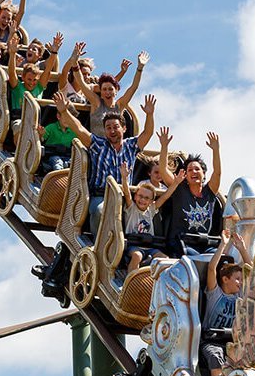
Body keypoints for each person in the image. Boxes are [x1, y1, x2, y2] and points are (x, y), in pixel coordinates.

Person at [54, 92, 156, 235]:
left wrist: (149, 115)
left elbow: (148, 133)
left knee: (141, 215)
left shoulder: (131, 146)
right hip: (101, 195)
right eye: (108, 128)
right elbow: (79, 129)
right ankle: (99, 246)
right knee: (99, 211)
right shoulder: (98, 145)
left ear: (124, 128)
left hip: (124, 196)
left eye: (115, 127)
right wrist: (64, 111)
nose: (112, 131)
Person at [157, 127, 224, 256]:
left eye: (197, 169)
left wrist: (216, 150)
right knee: (193, 257)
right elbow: (163, 169)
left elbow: (218, 172)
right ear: (186, 176)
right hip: (182, 244)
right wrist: (164, 146)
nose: (194, 172)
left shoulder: (209, 191)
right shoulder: (179, 189)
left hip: (204, 244)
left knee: (220, 258)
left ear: (203, 174)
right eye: (190, 170)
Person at [119, 161, 182, 272]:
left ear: (151, 201)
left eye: (146, 198)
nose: (142, 200)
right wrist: (124, 178)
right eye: (140, 196)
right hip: (133, 245)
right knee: (137, 256)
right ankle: (130, 282)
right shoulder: (131, 208)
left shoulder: (151, 209)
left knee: (165, 259)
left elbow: (165, 197)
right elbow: (127, 193)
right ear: (135, 197)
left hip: (150, 246)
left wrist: (176, 183)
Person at [199, 229, 243, 376]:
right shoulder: (215, 293)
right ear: (225, 279)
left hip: (231, 341)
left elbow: (253, 273)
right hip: (211, 340)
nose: (241, 282)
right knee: (215, 355)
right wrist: (223, 244)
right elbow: (212, 268)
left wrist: (242, 249)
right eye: (237, 279)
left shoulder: (239, 297)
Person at [71, 50, 149, 136]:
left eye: (110, 89)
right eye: (104, 89)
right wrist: (74, 63)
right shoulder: (96, 102)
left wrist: (140, 68)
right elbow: (81, 82)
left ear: (116, 91)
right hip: (97, 145)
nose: (107, 92)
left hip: (114, 146)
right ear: (100, 91)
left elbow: (133, 87)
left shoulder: (119, 105)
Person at [8, 27, 61, 122]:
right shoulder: (18, 86)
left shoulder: (39, 87)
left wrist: (54, 52)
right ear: (23, 78)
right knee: (19, 126)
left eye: (34, 80)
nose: (32, 83)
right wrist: (12, 53)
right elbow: (11, 72)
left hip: (34, 120)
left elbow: (48, 69)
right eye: (29, 79)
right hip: (19, 118)